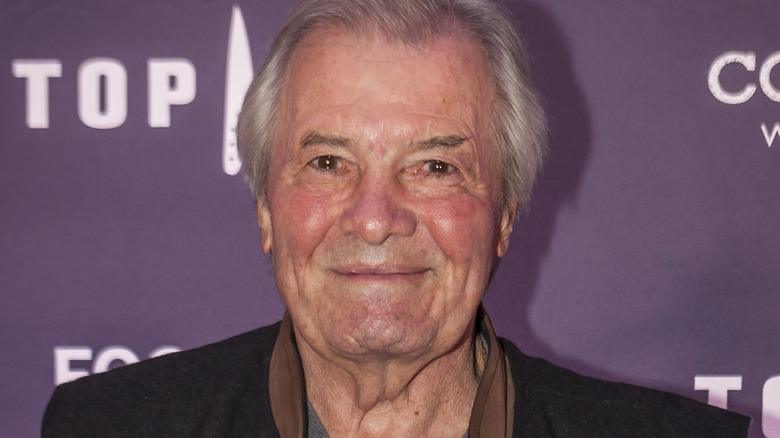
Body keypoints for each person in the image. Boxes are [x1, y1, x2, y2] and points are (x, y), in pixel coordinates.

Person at [42, 0, 751, 436]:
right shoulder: (110, 427)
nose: (376, 218)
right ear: (265, 208)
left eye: (435, 167)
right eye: (327, 162)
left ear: (503, 216)